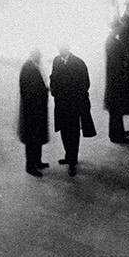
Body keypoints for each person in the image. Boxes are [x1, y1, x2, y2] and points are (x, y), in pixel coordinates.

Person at [48, 42, 94, 175]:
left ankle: (73, 161)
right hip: (61, 104)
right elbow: (53, 77)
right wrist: (53, 90)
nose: (59, 51)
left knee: (73, 132)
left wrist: (74, 96)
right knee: (64, 131)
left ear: (67, 49)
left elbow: (85, 83)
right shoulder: (56, 61)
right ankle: (69, 155)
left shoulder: (78, 63)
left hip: (74, 105)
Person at [103, 8, 129, 142]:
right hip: (116, 81)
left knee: (117, 108)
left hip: (115, 80)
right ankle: (115, 135)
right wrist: (124, 75)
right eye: (119, 27)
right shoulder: (114, 43)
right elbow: (117, 64)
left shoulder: (111, 40)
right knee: (116, 110)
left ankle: (120, 131)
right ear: (115, 28)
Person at [18, 49, 51, 174]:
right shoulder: (28, 68)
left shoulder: (33, 66)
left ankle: (37, 161)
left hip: (37, 109)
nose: (40, 58)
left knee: (37, 137)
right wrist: (44, 91)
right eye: (38, 56)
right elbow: (27, 90)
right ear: (33, 55)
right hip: (31, 110)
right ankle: (30, 166)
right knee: (32, 139)